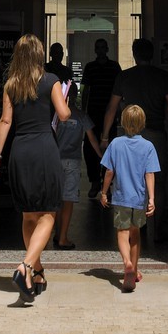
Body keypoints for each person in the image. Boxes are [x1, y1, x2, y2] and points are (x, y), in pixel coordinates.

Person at [0, 34, 70, 300]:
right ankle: (25, 266)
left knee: (27, 215)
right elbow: (63, 114)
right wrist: (66, 102)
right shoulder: (50, 81)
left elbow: (5, 121)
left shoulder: (11, 85)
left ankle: (36, 272)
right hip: (44, 149)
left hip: (19, 151)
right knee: (48, 214)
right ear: (39, 54)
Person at [101, 39, 168, 242]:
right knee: (157, 183)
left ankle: (137, 227)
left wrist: (105, 136)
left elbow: (111, 108)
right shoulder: (163, 77)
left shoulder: (124, 77)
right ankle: (157, 231)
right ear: (151, 54)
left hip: (129, 136)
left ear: (134, 54)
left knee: (130, 181)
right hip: (156, 133)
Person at [98, 104, 159, 292]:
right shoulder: (148, 146)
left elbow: (109, 171)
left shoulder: (116, 143)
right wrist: (151, 199)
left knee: (122, 233)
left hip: (121, 197)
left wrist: (103, 192)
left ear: (123, 122)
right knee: (135, 234)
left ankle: (126, 264)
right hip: (139, 198)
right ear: (142, 123)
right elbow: (150, 174)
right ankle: (135, 267)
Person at [52, 81, 102, 248]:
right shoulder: (81, 115)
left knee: (57, 199)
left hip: (55, 159)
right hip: (72, 161)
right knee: (68, 200)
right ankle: (63, 237)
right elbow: (92, 139)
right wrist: (101, 156)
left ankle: (57, 233)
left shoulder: (55, 115)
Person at [80, 38, 121, 196]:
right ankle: (94, 182)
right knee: (90, 149)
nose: (101, 49)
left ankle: (107, 183)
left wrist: (118, 110)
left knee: (111, 148)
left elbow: (119, 89)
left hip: (110, 113)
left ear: (107, 48)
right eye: (98, 47)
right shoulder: (90, 67)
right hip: (93, 113)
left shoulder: (114, 67)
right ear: (95, 50)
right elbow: (85, 90)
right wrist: (83, 111)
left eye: (103, 46)